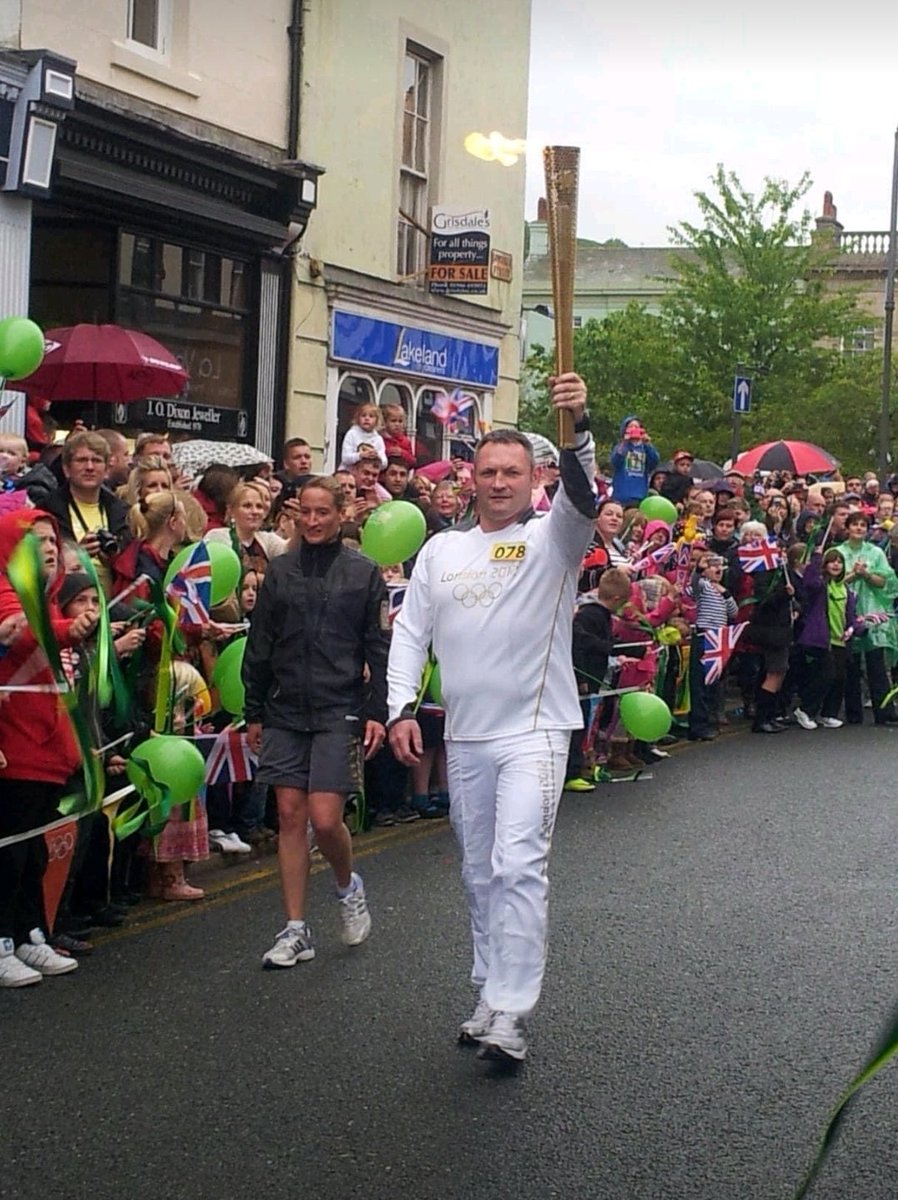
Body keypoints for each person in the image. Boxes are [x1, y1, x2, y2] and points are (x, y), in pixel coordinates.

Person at [387, 372, 595, 1063]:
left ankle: (511, 1011)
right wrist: (400, 708)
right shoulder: (442, 551)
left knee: (517, 864)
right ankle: (488, 988)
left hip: (535, 731)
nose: (500, 482)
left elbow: (587, 494)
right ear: (470, 479)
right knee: (479, 871)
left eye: (512, 472)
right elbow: (411, 634)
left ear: (533, 477)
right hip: (467, 735)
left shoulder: (553, 539)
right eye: (488, 472)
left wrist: (580, 425)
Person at [243, 476, 389, 968]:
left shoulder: (364, 572)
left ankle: (347, 887)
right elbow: (259, 643)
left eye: (322, 512)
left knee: (326, 819)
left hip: (338, 705)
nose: (312, 521)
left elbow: (378, 647)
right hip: (285, 706)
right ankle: (295, 929)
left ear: (341, 513)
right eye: (304, 512)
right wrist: (254, 709)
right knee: (289, 815)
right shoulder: (280, 572)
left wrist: (376, 710)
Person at [0, 509, 98, 986]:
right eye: (36, 540)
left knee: (34, 850)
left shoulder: (52, 600)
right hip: (15, 741)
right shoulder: (8, 591)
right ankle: (3, 940)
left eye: (52, 539)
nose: (48, 547)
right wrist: (66, 629)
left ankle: (28, 935)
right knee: (11, 849)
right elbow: (20, 629)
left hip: (45, 744)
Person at [41, 431, 131, 596]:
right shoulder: (46, 511)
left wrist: (115, 557)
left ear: (106, 470)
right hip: (65, 600)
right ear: (66, 469)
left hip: (114, 603)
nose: (89, 467)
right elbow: (39, 564)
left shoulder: (123, 512)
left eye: (96, 461)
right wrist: (75, 555)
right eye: (81, 460)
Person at [609, 415, 659, 504]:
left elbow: (654, 462)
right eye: (630, 427)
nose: (634, 429)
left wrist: (648, 444)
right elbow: (615, 461)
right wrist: (625, 443)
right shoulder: (620, 446)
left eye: (636, 427)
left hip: (640, 494)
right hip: (621, 494)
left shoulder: (645, 448)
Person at [339, 403, 387, 470]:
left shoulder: (378, 439)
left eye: (371, 416)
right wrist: (360, 455)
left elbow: (384, 463)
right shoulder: (352, 434)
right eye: (363, 416)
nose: (367, 418)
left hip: (368, 475)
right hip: (348, 473)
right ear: (358, 418)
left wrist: (377, 457)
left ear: (377, 420)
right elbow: (345, 458)